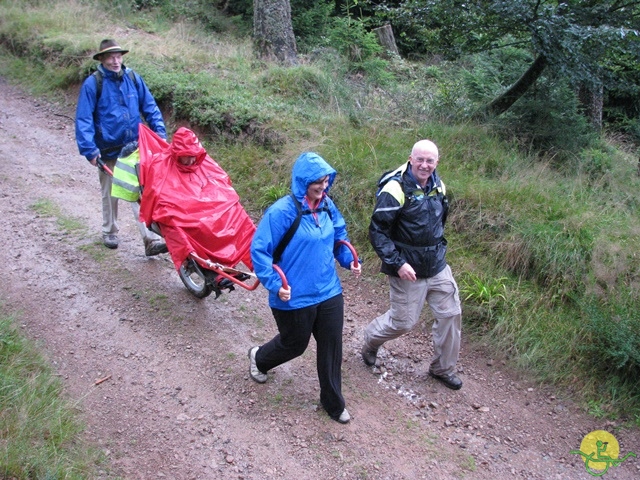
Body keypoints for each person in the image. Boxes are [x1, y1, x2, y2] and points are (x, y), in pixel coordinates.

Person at [249, 152, 361, 424]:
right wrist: (275, 285)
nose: (323, 187)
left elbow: (339, 236)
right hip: (294, 295)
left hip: (329, 291)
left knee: (331, 347)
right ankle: (260, 358)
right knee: (294, 345)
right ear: (303, 181)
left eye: (325, 181)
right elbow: (259, 251)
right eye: (317, 182)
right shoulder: (281, 212)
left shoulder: (327, 206)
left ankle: (333, 403)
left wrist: (348, 260)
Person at [361, 139, 463, 390]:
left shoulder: (439, 186)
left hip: (437, 265)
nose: (425, 165)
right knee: (403, 323)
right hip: (407, 269)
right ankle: (370, 340)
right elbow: (377, 231)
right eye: (420, 159)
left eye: (430, 160)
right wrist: (398, 264)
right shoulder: (395, 189)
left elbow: (440, 222)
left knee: (451, 315)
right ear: (410, 159)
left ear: (437, 162)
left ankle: (442, 368)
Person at [75, 38, 168, 256]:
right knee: (110, 193)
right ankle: (110, 231)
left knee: (141, 193)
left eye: (118, 56)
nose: (115, 61)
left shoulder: (133, 78)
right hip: (107, 150)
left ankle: (150, 238)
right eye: (110, 57)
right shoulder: (93, 84)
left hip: (135, 148)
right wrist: (90, 150)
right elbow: (84, 119)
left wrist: (160, 137)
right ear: (102, 59)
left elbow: (150, 107)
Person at [137, 126, 255, 273]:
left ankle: (255, 255)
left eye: (194, 155)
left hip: (206, 205)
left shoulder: (203, 162)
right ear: (177, 153)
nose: (192, 160)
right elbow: (156, 196)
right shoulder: (161, 165)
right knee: (175, 221)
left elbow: (221, 180)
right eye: (187, 155)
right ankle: (204, 264)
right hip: (185, 211)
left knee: (236, 211)